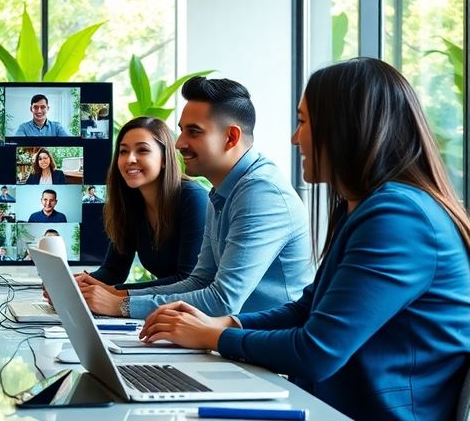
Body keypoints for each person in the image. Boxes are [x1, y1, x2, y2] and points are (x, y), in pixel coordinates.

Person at [139, 58, 470, 420]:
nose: (295, 138)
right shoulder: (365, 208)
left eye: (302, 122)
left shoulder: (399, 219)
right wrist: (227, 324)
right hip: (321, 404)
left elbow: (317, 351)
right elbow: (305, 308)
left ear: (345, 128)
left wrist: (213, 337)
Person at [78, 77, 312, 321]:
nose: (179, 143)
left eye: (194, 132)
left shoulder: (261, 193)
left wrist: (121, 305)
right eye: (181, 131)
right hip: (231, 338)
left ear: (230, 138)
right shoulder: (221, 192)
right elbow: (198, 281)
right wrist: (119, 298)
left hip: (267, 346)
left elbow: (222, 300)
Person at [70, 118, 207, 310]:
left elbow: (187, 279)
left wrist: (116, 294)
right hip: (166, 309)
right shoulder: (130, 202)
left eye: (142, 150)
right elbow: (113, 271)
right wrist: (76, 286)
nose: (130, 159)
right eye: (123, 151)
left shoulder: (192, 198)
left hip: (201, 313)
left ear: (165, 159)